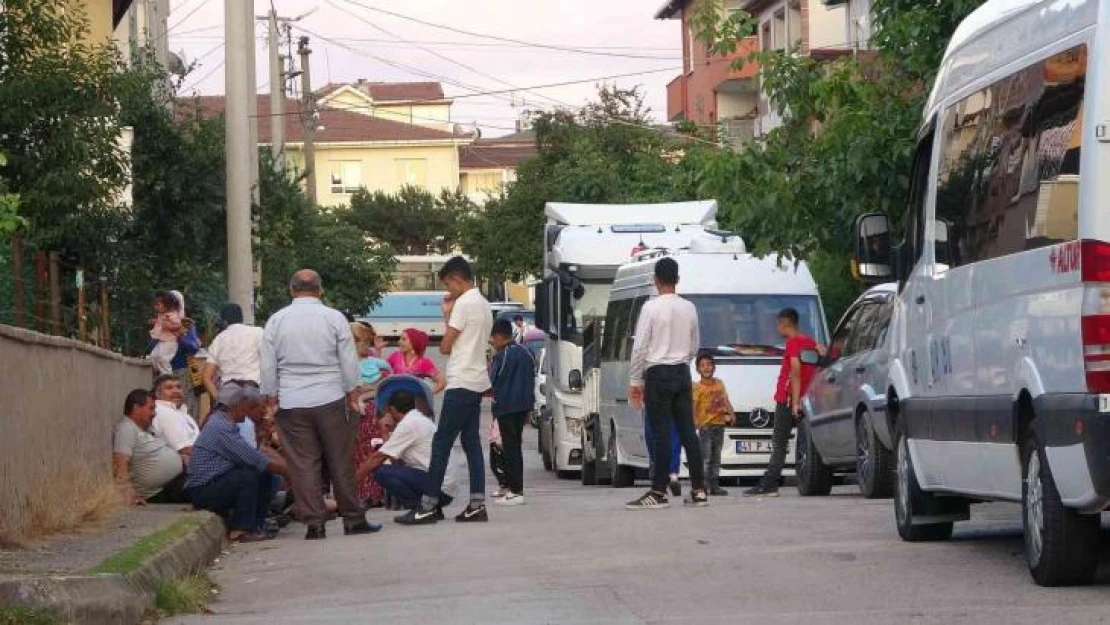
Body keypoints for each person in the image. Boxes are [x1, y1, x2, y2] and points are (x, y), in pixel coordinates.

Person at [260, 269, 381, 540]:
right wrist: (353, 392)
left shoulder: (276, 320)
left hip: (291, 401)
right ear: (320, 290)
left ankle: (314, 522)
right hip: (331, 398)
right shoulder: (333, 318)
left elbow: (267, 365)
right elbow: (348, 360)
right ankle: (352, 518)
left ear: (292, 290)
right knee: (341, 460)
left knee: (303, 464)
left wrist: (271, 397)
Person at [396, 256, 493, 525]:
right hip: (477, 380)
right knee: (471, 443)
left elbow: (446, 347)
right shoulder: (484, 304)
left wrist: (448, 315)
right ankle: (476, 504)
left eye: (449, 284)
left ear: (458, 278)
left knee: (441, 444)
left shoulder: (463, 303)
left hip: (461, 380)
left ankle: (427, 505)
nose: (448, 290)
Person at [626, 257, 708, 510]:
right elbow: (695, 345)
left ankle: (658, 491)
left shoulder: (650, 308)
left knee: (661, 434)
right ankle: (699, 489)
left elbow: (640, 347)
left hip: (657, 373)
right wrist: (680, 358)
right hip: (682, 372)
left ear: (656, 280)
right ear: (677, 279)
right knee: (688, 433)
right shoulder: (689, 308)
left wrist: (635, 381)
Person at [186, 385, 289, 543]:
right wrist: (291, 472)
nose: (249, 412)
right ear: (239, 405)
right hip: (204, 489)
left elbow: (253, 455)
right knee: (249, 474)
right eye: (249, 407)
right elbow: (254, 458)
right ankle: (239, 530)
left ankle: (256, 525)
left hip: (216, 482)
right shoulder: (220, 426)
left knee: (262, 474)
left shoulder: (225, 423)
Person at [744, 307, 819, 497]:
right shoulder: (811, 343)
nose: (777, 328)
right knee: (806, 441)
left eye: (778, 324)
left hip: (787, 400)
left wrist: (793, 402)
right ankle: (807, 477)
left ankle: (770, 483)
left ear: (785, 324)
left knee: (779, 442)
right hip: (806, 399)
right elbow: (824, 356)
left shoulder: (792, 343)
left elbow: (795, 370)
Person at [355, 390, 454, 517]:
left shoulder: (408, 425)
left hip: (439, 488)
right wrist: (385, 432)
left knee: (381, 472)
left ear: (392, 409)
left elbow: (377, 458)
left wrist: (352, 485)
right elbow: (396, 462)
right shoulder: (417, 419)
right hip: (443, 487)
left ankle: (421, 510)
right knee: (390, 470)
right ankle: (432, 510)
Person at [488, 318, 535, 506]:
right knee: (515, 447)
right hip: (523, 407)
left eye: (493, 338)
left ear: (500, 336)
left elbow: (493, 381)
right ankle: (514, 488)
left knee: (509, 449)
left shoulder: (502, 356)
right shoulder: (526, 352)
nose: (492, 342)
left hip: (506, 407)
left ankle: (515, 490)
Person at [113, 389, 188, 505]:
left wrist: (180, 458)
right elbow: (120, 463)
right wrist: (127, 491)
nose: (154, 413)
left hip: (177, 479)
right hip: (162, 491)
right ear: (136, 408)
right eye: (151, 408)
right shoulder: (126, 428)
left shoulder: (147, 429)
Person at [350, 322, 389, 507]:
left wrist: (360, 396)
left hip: (357, 413)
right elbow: (387, 385)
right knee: (373, 453)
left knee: (358, 454)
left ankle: (362, 493)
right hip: (376, 411)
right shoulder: (378, 364)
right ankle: (376, 493)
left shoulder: (346, 365)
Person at [202, 303, 264, 417]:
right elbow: (270, 362)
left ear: (224, 321)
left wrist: (219, 399)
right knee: (255, 432)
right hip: (253, 392)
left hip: (228, 395)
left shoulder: (218, 340)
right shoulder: (258, 333)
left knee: (231, 432)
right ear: (241, 317)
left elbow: (206, 377)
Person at [692, 351, 735, 496]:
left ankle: (714, 485)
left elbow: (725, 400)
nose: (706, 368)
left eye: (709, 364)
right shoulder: (697, 387)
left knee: (716, 457)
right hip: (705, 427)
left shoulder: (719, 383)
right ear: (698, 369)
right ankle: (702, 485)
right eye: (702, 365)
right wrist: (694, 421)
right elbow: (693, 405)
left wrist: (731, 413)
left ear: (714, 367)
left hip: (719, 425)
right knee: (706, 457)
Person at [151, 374, 199, 466]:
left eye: (178, 387)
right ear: (157, 394)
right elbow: (185, 449)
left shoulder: (179, 411)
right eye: (169, 388)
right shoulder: (164, 412)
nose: (176, 391)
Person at [387, 328, 446, 394]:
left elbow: (442, 381)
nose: (399, 341)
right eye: (400, 339)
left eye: (403, 339)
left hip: (416, 401)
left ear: (413, 342)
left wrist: (429, 395)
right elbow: (382, 371)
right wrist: (378, 350)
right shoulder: (395, 356)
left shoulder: (424, 362)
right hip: (396, 398)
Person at [643, 414, 682, 496]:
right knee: (674, 435)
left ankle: (659, 474)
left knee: (653, 435)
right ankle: (673, 476)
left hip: (653, 403)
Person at [149, 290, 185, 375]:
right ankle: (159, 373)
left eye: (158, 305)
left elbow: (178, 325)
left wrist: (169, 326)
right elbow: (160, 322)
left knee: (163, 359)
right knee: (153, 356)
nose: (155, 307)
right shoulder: (162, 314)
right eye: (155, 305)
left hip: (169, 342)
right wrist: (155, 321)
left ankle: (167, 376)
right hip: (162, 341)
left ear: (167, 305)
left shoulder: (172, 315)